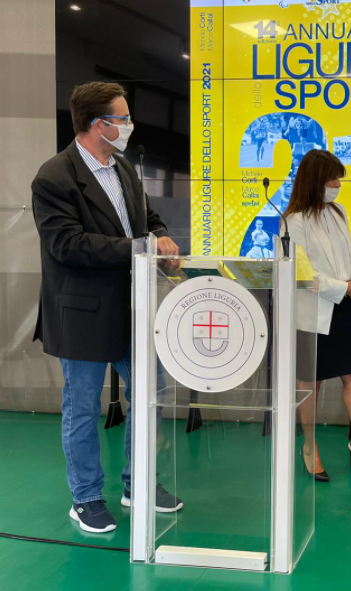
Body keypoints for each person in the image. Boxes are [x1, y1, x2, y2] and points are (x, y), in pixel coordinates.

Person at [31, 82, 183, 534]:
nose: (130, 125)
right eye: (123, 118)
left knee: (150, 393)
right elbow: (67, 244)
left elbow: (147, 220)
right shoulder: (54, 177)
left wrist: (160, 237)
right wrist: (140, 246)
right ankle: (86, 497)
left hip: (132, 307)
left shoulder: (123, 168)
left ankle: (139, 482)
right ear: (99, 124)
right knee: (82, 406)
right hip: (81, 313)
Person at [283, 149, 351, 481]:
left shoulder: (339, 212)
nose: (338, 185)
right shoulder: (293, 221)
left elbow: (350, 255)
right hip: (312, 312)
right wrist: (343, 287)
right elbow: (302, 275)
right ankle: (309, 447)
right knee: (312, 382)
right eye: (333, 179)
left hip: (344, 306)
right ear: (315, 180)